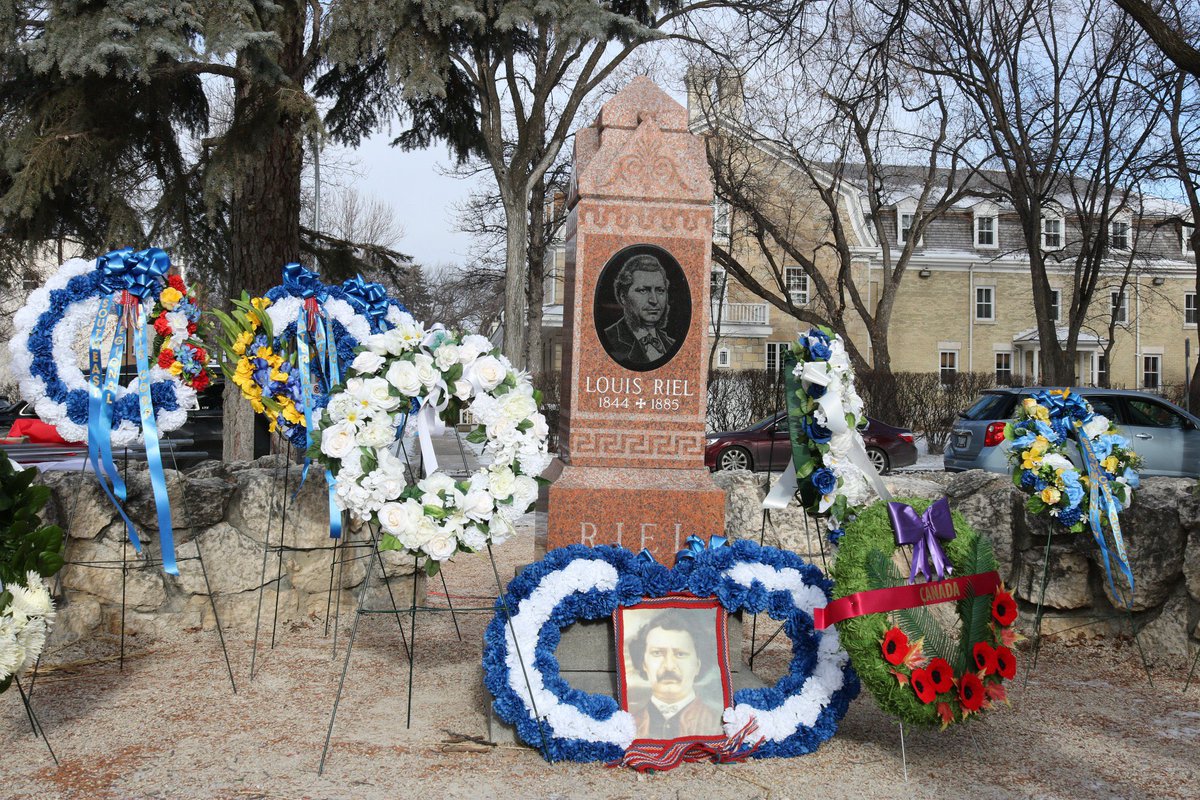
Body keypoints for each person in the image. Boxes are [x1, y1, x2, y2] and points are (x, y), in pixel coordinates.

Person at [626, 609, 724, 739]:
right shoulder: (629, 725)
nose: (669, 666)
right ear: (644, 663)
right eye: (657, 653)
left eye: (680, 654)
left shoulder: (717, 725)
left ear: (697, 665)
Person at [601, 254, 677, 368]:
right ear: (623, 296)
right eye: (643, 290)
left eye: (660, 290)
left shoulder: (671, 344)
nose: (654, 300)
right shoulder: (610, 338)